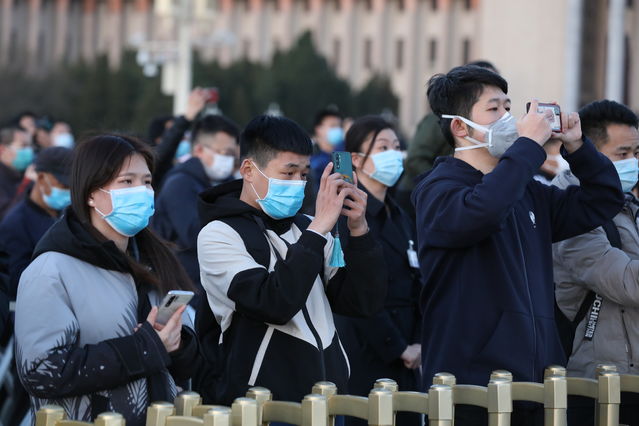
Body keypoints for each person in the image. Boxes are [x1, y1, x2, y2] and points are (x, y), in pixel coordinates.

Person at [412, 65, 624, 425]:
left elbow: (603, 200)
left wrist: (577, 147)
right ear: (459, 126)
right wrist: (526, 148)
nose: (509, 119)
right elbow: (484, 211)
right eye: (494, 109)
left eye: (509, 107)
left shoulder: (528, 191)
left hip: (536, 384)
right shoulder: (437, 188)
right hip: (471, 388)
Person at [196, 115, 387, 404]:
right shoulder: (218, 234)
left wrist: (359, 230)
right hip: (263, 405)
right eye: (288, 173)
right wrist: (318, 230)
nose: (299, 182)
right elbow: (274, 304)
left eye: (304, 174)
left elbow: (362, 302)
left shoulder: (307, 227)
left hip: (329, 397)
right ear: (248, 170)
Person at [15, 134, 198, 426]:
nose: (142, 191)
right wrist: (145, 347)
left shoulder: (154, 260)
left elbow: (185, 364)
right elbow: (41, 372)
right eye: (127, 182)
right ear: (90, 192)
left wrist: (178, 344)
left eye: (147, 182)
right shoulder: (52, 269)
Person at [552, 100, 639, 426]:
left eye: (636, 153)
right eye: (622, 154)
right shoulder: (569, 208)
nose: (633, 163)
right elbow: (625, 282)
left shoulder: (626, 203)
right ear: (589, 154)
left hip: (628, 378)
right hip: (591, 384)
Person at [335, 116, 422, 426]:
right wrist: (397, 347)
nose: (394, 154)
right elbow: (355, 288)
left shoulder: (399, 213)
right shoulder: (347, 214)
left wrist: (417, 341)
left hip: (410, 352)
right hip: (369, 350)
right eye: (383, 147)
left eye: (397, 147)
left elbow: (416, 279)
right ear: (355, 160)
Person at [153, 114, 240, 292]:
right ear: (199, 150)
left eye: (233, 154)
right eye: (224, 153)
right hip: (183, 286)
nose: (229, 160)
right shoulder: (180, 184)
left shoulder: (229, 183)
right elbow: (195, 236)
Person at [0, 147, 73, 300]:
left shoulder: (69, 214)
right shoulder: (15, 223)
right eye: (64, 186)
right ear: (41, 179)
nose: (68, 193)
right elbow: (17, 280)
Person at [153, 88, 210, 186]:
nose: (181, 139)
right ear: (158, 139)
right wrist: (187, 117)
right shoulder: (152, 170)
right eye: (169, 132)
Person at [0, 127, 32, 219]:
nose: (29, 150)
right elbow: (6, 216)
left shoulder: (21, 172)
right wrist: (27, 184)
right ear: (2, 149)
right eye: (23, 146)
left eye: (30, 146)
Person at [310, 107, 344, 192]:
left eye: (339, 126)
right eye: (333, 126)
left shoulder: (343, 155)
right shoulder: (310, 158)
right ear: (318, 129)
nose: (338, 130)